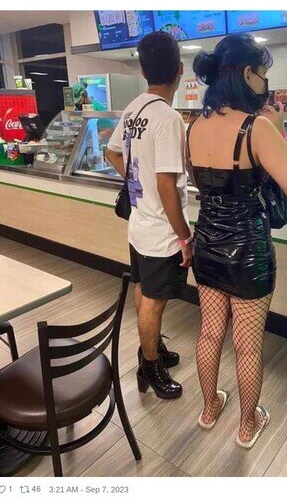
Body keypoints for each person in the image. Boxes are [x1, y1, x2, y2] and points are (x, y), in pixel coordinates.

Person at [187, 34, 287, 448]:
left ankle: (209, 409)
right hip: (248, 253)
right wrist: (279, 132)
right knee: (247, 345)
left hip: (206, 243)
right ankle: (247, 425)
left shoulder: (194, 126)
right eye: (263, 74)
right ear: (247, 74)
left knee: (209, 334)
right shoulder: (256, 128)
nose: (265, 83)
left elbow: (201, 184)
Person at [105, 31, 192, 400]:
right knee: (154, 302)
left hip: (139, 225)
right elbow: (167, 186)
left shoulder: (133, 109)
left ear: (142, 71)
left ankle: (151, 348)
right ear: (180, 70)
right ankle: (150, 368)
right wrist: (185, 237)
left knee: (144, 291)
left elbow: (111, 152)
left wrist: (134, 180)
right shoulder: (168, 118)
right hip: (160, 232)